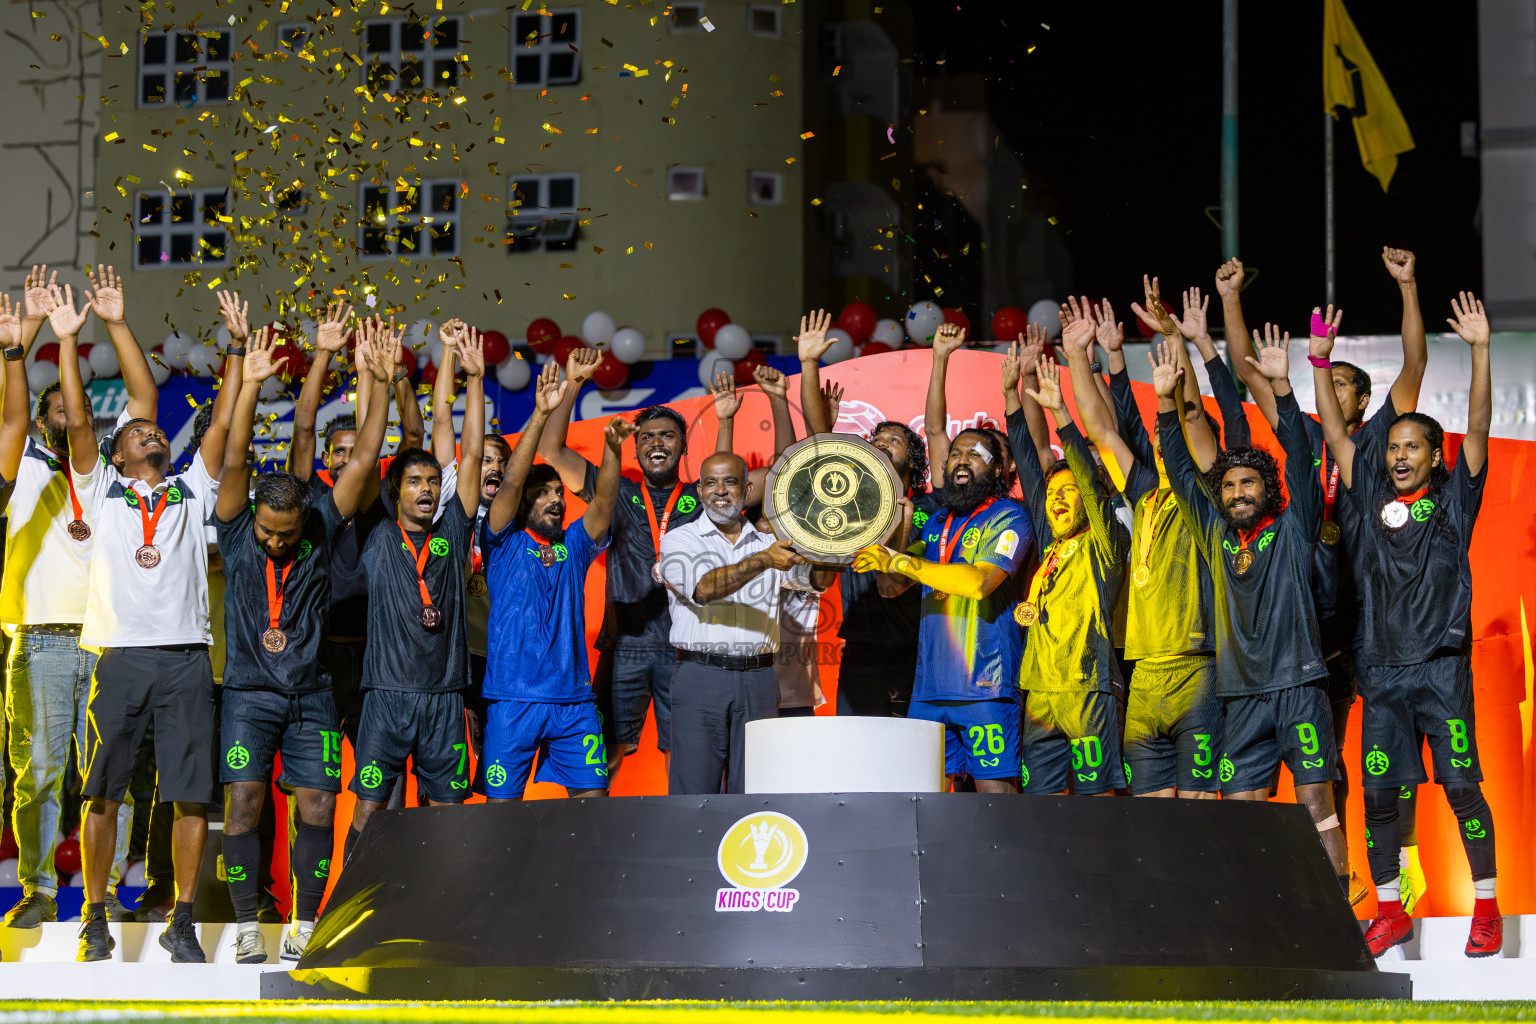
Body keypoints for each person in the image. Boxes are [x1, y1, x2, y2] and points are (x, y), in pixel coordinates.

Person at [1220, 251, 1427, 904]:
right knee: (1324, 761)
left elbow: (1416, 364)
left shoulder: (1373, 445)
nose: (1331, 390)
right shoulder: (1304, 440)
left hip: (1372, 617)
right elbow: (1252, 374)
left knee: (1387, 753)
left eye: (1343, 383)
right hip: (1312, 624)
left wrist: (1408, 286)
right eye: (1326, 379)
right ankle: (1334, 889)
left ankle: (1405, 869)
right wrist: (1231, 302)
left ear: (1364, 400)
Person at [1312, 294, 1502, 957]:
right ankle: (1389, 910)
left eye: (1411, 446)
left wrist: (1480, 350)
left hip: (1441, 671)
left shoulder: (1454, 502)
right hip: (1383, 674)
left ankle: (1487, 905)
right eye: (1392, 446)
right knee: (1378, 793)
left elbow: (1477, 424)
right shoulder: (1366, 504)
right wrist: (1316, 361)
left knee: (1459, 787)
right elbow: (1338, 435)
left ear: (1433, 454)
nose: (1397, 456)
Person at [60, 277, 238, 962]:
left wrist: (123, 322)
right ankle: (96, 916)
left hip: (187, 659)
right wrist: (78, 335)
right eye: (135, 432)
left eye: (154, 427)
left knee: (191, 797)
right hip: (120, 656)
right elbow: (80, 421)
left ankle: (183, 918)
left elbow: (219, 426)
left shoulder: (191, 491)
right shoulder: (101, 489)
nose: (148, 430)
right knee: (101, 793)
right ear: (118, 455)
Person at [213, 325, 392, 963]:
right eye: (269, 532)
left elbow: (366, 457)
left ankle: (306, 922)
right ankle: (242, 925)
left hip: (312, 694)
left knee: (319, 800)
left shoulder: (318, 521)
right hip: (248, 695)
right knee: (244, 798)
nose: (277, 544)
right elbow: (235, 458)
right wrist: (254, 385)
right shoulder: (237, 527)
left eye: (287, 535)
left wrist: (383, 382)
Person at [1152, 329, 1349, 890]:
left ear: (1269, 490)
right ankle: (1258, 918)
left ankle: (1342, 921)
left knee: (1316, 805)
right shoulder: (1213, 532)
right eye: (1231, 485)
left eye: (1250, 483)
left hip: (1299, 687)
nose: (1238, 492)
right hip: (1239, 696)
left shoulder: (1292, 529)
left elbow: (1303, 455)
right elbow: (1180, 467)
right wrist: (1168, 402)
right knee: (1241, 811)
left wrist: (1283, 388)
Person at [0, 266, 155, 927]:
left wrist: (114, 324)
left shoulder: (108, 475)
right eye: (61, 406)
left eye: (84, 408)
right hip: (38, 639)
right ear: (43, 417)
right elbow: (6, 411)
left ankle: (108, 892)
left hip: (106, 637)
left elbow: (144, 399)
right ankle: (36, 891)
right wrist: (24, 335)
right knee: (38, 771)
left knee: (107, 774)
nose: (74, 412)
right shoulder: (23, 466)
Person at [1055, 299, 1219, 799]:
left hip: (1196, 668)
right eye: (1155, 436)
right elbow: (1101, 432)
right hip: (1144, 674)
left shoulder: (1209, 499)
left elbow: (1189, 415)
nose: (1160, 442)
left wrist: (1175, 341)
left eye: (1167, 437)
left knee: (1201, 820)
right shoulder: (1146, 493)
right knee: (1153, 824)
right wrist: (1078, 356)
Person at [344, 325, 485, 858]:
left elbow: (469, 456)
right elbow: (364, 451)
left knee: (448, 812)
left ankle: (442, 909)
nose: (426, 489)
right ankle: (352, 907)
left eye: (431, 482)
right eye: (414, 482)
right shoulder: (377, 532)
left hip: (446, 696)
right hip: (385, 694)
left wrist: (475, 377)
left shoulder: (453, 528)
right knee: (370, 808)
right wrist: (372, 379)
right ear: (395, 491)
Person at [538, 349, 703, 778]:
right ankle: (590, 841)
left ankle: (681, 842)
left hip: (685, 647)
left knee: (681, 758)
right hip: (625, 644)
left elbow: (771, 476)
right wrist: (573, 383)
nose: (656, 443)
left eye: (667, 435)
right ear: (634, 445)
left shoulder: (705, 496)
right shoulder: (616, 491)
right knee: (602, 759)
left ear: (683, 445)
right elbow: (551, 451)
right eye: (646, 436)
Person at [853, 428, 1032, 793]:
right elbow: (890, 587)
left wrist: (900, 563)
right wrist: (898, 535)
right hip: (929, 689)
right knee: (925, 800)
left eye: (975, 454)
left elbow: (978, 582)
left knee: (995, 799)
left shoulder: (1010, 517)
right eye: (954, 453)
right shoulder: (936, 522)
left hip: (985, 687)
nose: (962, 460)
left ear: (998, 469)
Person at [479, 363, 625, 799]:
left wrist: (613, 452)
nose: (556, 499)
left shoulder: (575, 546)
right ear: (524, 501)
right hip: (512, 701)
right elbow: (510, 482)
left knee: (594, 812)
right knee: (500, 820)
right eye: (543, 492)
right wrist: (540, 414)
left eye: (560, 492)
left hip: (574, 704)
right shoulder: (503, 541)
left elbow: (603, 504)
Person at [287, 306, 423, 750]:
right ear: (328, 459)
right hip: (320, 652)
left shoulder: (379, 497)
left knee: (378, 766)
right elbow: (304, 429)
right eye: (338, 453)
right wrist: (332, 359)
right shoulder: (310, 499)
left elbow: (407, 438)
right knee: (311, 775)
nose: (348, 458)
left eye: (354, 451)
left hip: (374, 652)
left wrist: (390, 376)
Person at [658, 452, 834, 794]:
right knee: (693, 791)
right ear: (699, 491)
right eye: (710, 482)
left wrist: (826, 540)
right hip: (700, 677)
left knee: (755, 790)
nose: (720, 490)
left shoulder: (770, 543)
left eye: (730, 481)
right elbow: (704, 589)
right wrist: (763, 561)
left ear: (747, 488)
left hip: (759, 679)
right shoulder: (679, 540)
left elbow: (817, 581)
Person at [796, 310, 938, 718]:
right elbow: (819, 445)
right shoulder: (851, 501)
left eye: (892, 439)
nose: (880, 442)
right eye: (875, 438)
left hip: (917, 650)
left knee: (914, 763)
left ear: (913, 458)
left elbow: (895, 582)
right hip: (861, 647)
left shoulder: (930, 508)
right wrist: (809, 364)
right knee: (858, 760)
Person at [1007, 350, 1128, 796]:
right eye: (1053, 492)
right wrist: (1012, 396)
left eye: (1070, 490)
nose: (1057, 498)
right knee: (1040, 807)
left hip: (1089, 686)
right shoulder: (1051, 546)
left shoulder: (1106, 542)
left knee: (1097, 805)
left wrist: (1062, 414)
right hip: (1039, 691)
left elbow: (1088, 482)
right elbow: (1027, 462)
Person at [426, 318, 514, 763]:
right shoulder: (449, 499)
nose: (492, 467)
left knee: (493, 761)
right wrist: (448, 354)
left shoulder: (515, 517)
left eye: (503, 461)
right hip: (449, 651)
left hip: (497, 652)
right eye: (486, 459)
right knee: (445, 759)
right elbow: (444, 420)